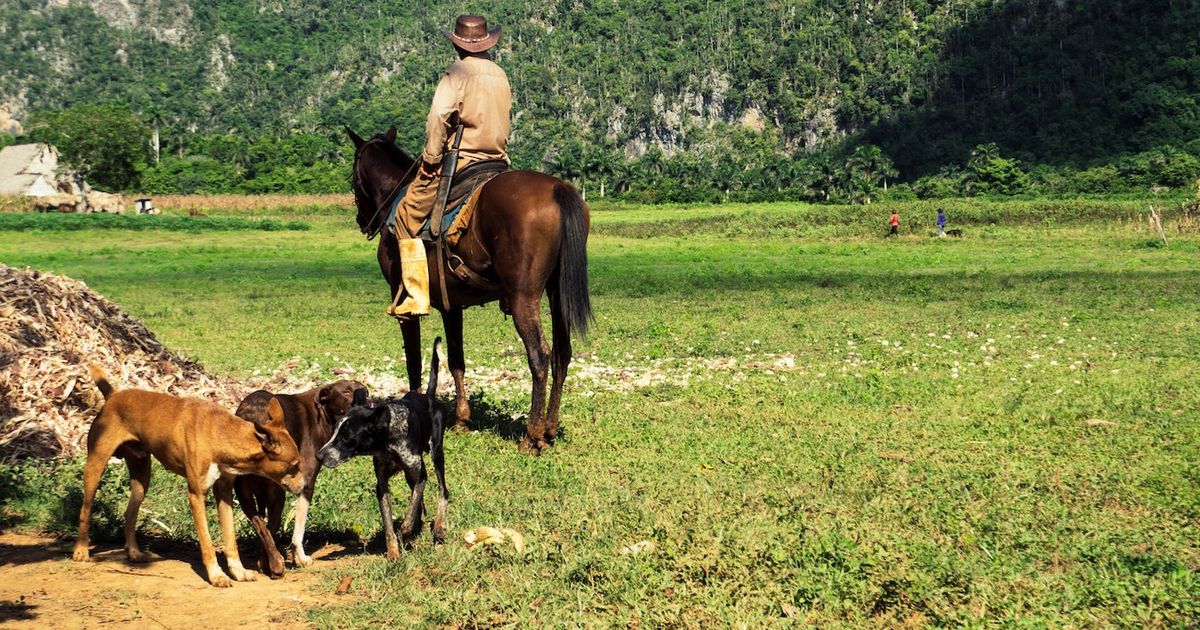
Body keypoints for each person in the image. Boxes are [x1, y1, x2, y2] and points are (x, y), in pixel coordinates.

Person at [390, 15, 512, 319]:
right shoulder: (500, 74)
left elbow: (438, 117)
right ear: (486, 42)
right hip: (497, 162)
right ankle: (509, 292)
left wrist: (431, 159)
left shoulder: (456, 73)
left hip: (463, 162)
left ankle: (416, 295)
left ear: (457, 44)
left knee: (406, 214)